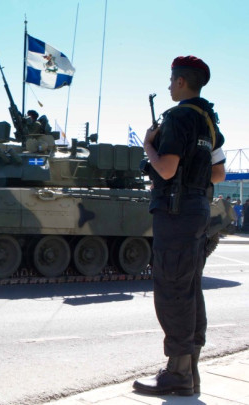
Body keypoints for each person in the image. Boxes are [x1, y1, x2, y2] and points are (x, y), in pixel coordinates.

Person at [133, 56, 226, 397]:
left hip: (175, 212)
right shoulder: (209, 121)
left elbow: (167, 169)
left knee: (172, 289)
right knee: (189, 288)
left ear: (182, 81)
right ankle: (190, 371)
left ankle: (177, 374)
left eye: (172, 81)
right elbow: (219, 174)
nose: (170, 86)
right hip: (198, 209)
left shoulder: (178, 117)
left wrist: (148, 146)